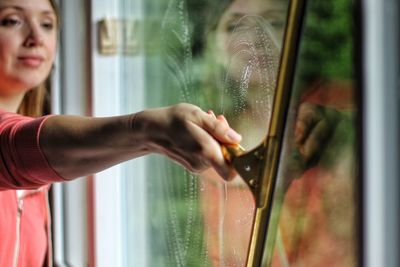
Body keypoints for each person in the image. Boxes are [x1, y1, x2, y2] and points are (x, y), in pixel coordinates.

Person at [0, 0, 242, 266]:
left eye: (47, 24)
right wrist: (146, 130)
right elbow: (14, 147)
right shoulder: (22, 150)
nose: (36, 38)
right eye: (11, 21)